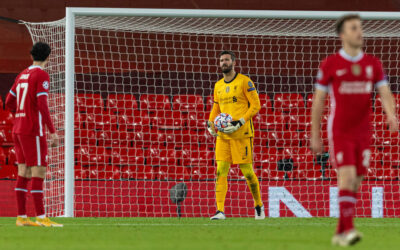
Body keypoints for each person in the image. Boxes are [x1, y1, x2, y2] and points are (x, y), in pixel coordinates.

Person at [310, 14, 398, 246]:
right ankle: (349, 231)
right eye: (354, 28)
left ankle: (340, 231)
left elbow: (385, 92)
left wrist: (391, 114)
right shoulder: (330, 64)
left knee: (356, 180)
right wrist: (315, 134)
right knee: (347, 176)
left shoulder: (373, 64)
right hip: (340, 130)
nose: (360, 32)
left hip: (363, 131)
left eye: (360, 27)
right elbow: (318, 101)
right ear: (342, 35)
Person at [6, 42, 62, 227]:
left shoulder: (22, 74)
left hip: (18, 129)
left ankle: (22, 217)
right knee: (38, 172)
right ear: (48, 57)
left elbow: (9, 101)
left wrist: (21, 113)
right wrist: (52, 132)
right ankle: (41, 217)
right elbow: (42, 105)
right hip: (32, 130)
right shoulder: (41, 74)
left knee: (24, 172)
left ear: (32, 56)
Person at [207, 50, 264, 220]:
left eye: (226, 60)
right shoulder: (218, 85)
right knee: (220, 171)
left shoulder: (245, 82)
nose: (223, 63)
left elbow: (256, 105)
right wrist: (210, 123)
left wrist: (240, 122)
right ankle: (220, 210)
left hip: (241, 133)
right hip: (223, 135)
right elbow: (216, 108)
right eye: (221, 60)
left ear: (233, 62)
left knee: (247, 172)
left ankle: (258, 205)